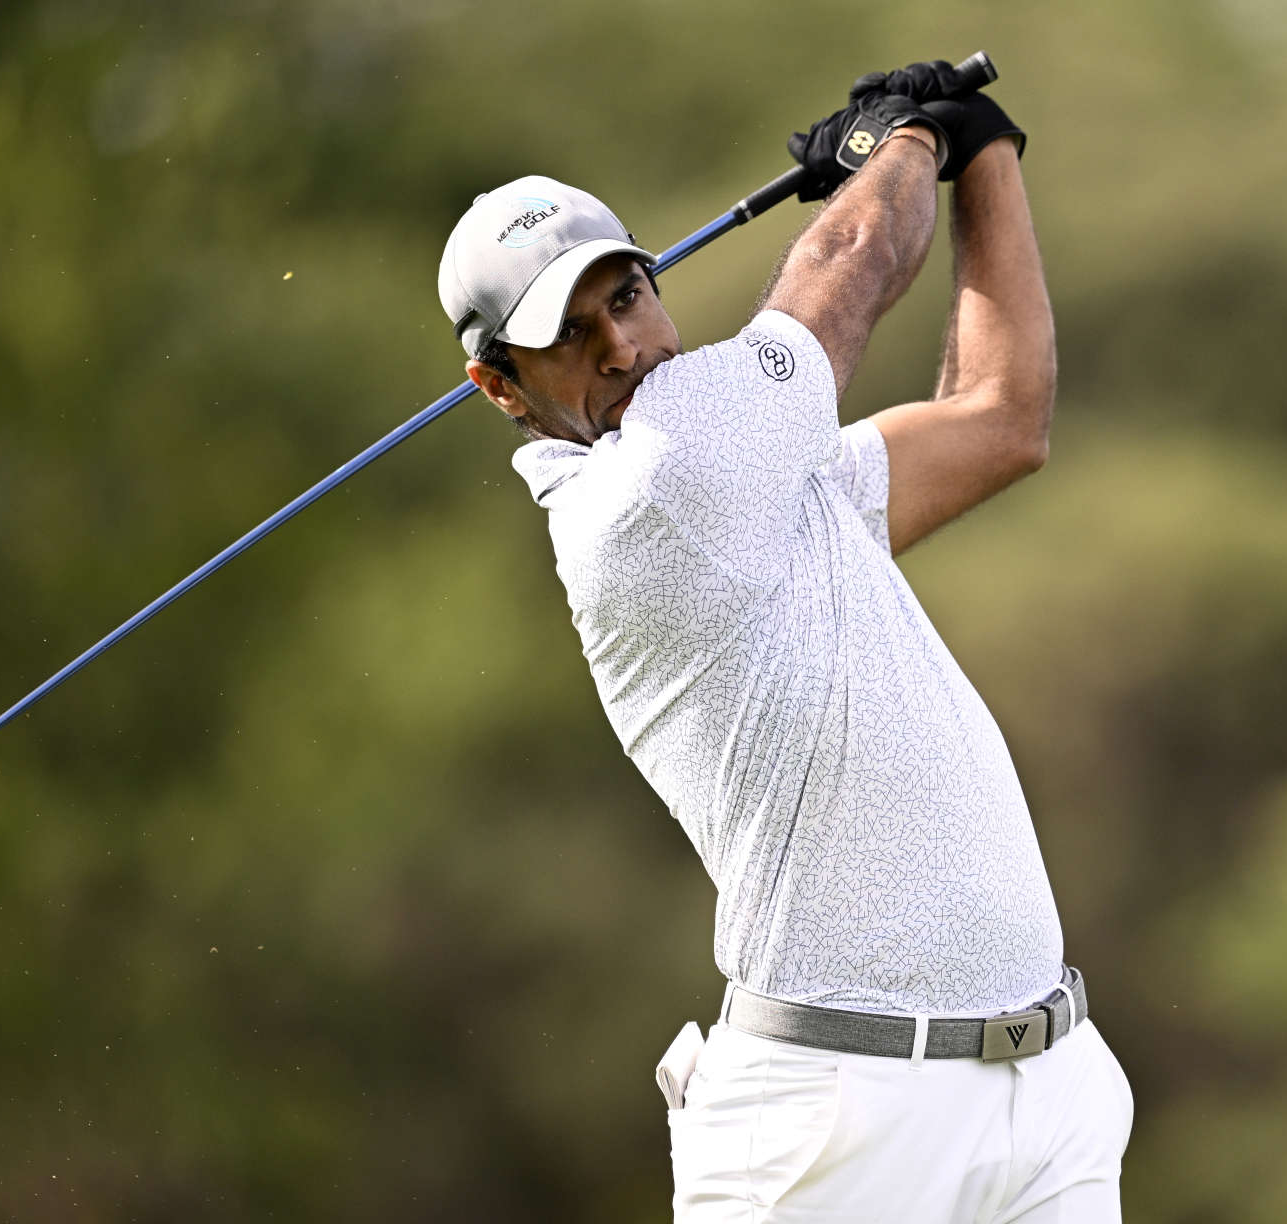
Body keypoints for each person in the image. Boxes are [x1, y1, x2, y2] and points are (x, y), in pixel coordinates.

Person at [436, 63, 1132, 1222]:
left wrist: (984, 153)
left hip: (1041, 1096)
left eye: (628, 294)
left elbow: (1001, 418)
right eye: (568, 331)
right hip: (830, 1125)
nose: (621, 344)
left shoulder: (771, 480)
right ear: (501, 388)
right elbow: (848, 266)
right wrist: (905, 140)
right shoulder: (651, 497)